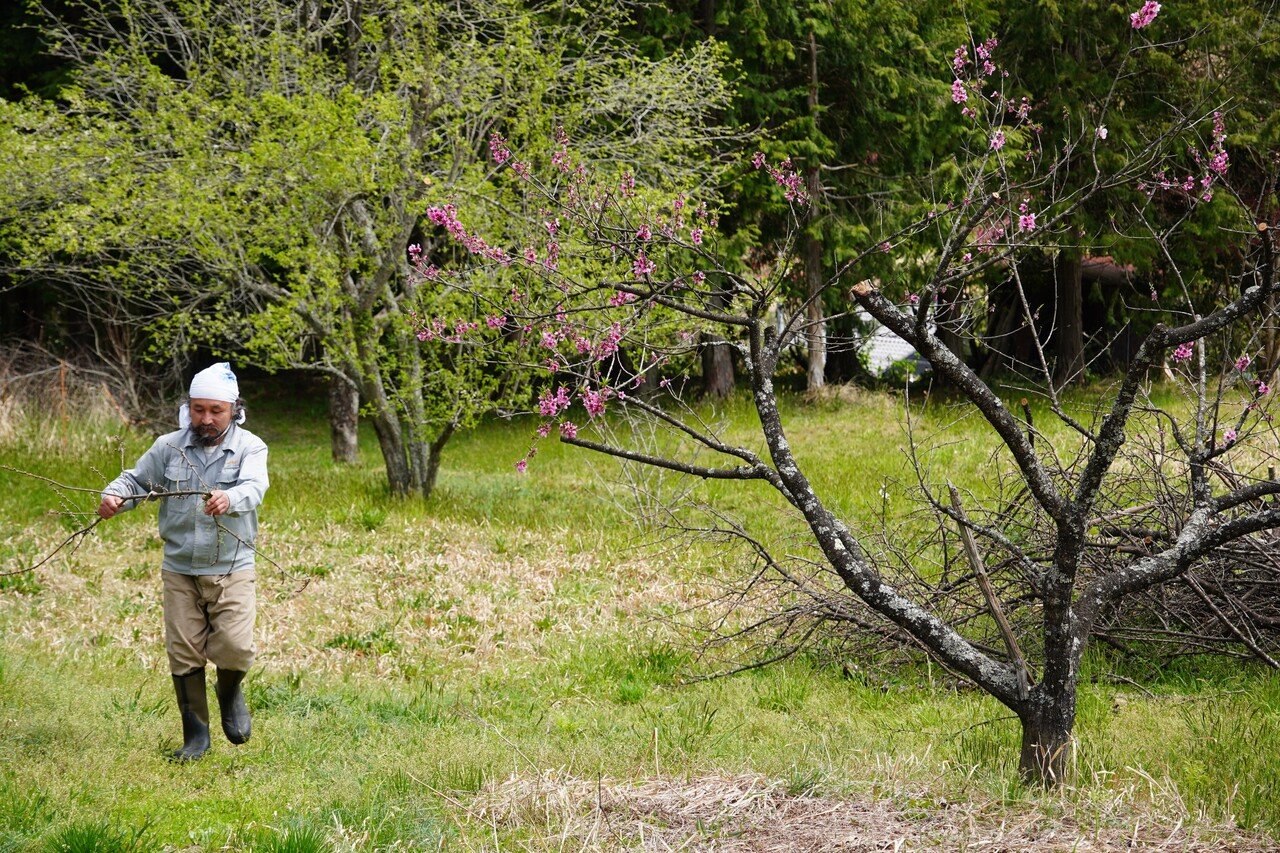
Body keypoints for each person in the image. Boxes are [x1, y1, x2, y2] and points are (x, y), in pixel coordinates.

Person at [98, 363, 269, 761]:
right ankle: (196, 737)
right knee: (184, 651)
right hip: (180, 568)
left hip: (231, 564)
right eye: (197, 409)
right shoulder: (168, 446)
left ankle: (229, 694)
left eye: (215, 410)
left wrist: (230, 499)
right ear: (188, 407)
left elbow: (255, 486)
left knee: (236, 646)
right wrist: (114, 496)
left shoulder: (250, 447)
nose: (205, 419)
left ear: (234, 409)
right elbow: (136, 481)